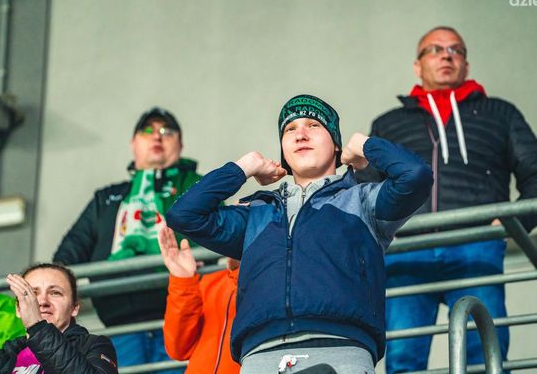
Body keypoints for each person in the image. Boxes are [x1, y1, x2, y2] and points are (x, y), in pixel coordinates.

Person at [165, 94, 433, 374]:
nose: (300, 134)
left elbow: (416, 176)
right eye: (290, 129)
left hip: (342, 349)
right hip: (259, 356)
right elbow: (184, 215)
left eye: (314, 125)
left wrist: (364, 145)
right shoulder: (256, 213)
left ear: (336, 144)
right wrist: (245, 166)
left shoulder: (363, 201)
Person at [359, 26, 537, 372]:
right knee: (403, 358)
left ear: (466, 65)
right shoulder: (389, 124)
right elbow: (365, 190)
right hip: (406, 250)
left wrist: (514, 223)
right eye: (435, 49)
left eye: (456, 50)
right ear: (417, 65)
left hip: (476, 244)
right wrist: (379, 237)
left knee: (485, 354)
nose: (446, 55)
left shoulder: (499, 113)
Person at [53, 107, 202, 371]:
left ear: (180, 145)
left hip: (184, 320)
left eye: (167, 131)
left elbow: (223, 239)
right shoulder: (106, 199)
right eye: (147, 130)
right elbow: (67, 256)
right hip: (120, 325)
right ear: (133, 144)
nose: (157, 136)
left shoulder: (198, 188)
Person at [0, 263, 117, 373]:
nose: (43, 301)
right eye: (32, 293)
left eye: (55, 293)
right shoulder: (6, 355)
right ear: (18, 309)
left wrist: (37, 328)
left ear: (74, 307)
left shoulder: (93, 345)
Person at [159, 226, 240, 374]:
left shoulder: (276, 277)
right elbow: (178, 349)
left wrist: (241, 271)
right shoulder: (211, 280)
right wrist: (183, 281)